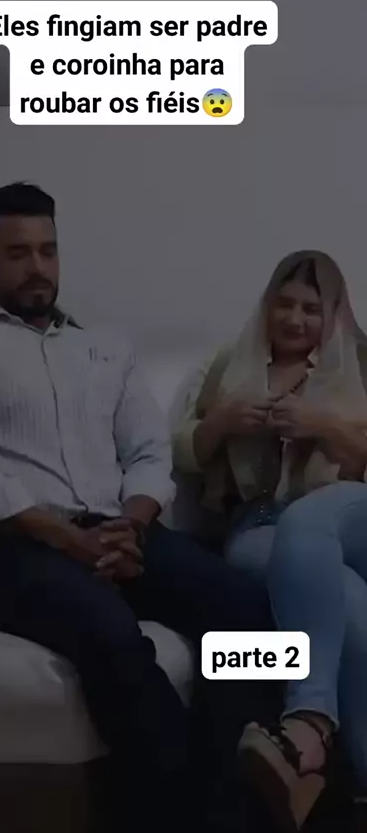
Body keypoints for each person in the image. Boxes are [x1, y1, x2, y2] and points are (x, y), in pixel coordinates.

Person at [0, 182, 275, 833]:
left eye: (48, 250)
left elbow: (148, 453)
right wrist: (69, 541)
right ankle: (180, 817)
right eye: (17, 253)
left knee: (246, 607)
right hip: (9, 546)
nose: (37, 267)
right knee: (113, 636)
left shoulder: (104, 347)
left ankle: (228, 804)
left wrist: (131, 525)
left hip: (118, 529)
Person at [173, 250, 367, 831]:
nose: (294, 319)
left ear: (333, 314)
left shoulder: (361, 361)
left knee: (308, 521)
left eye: (311, 308)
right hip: (258, 525)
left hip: (349, 511)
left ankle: (308, 725)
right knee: (351, 606)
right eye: (284, 304)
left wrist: (325, 427)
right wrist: (222, 423)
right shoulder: (229, 365)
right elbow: (180, 451)